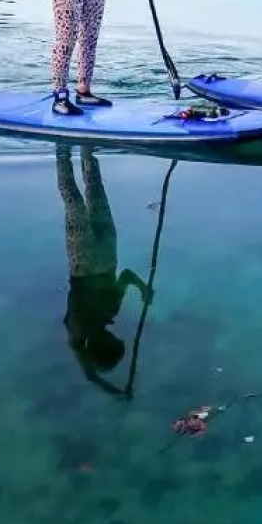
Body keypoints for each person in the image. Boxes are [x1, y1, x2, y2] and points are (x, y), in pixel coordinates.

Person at [56, 143, 153, 391]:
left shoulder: (79, 328)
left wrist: (110, 388)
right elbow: (127, 275)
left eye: (110, 339)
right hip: (108, 254)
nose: (111, 333)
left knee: (73, 199)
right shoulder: (111, 311)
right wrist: (142, 288)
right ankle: (86, 147)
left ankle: (62, 149)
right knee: (96, 190)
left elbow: (86, 368)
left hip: (84, 261)